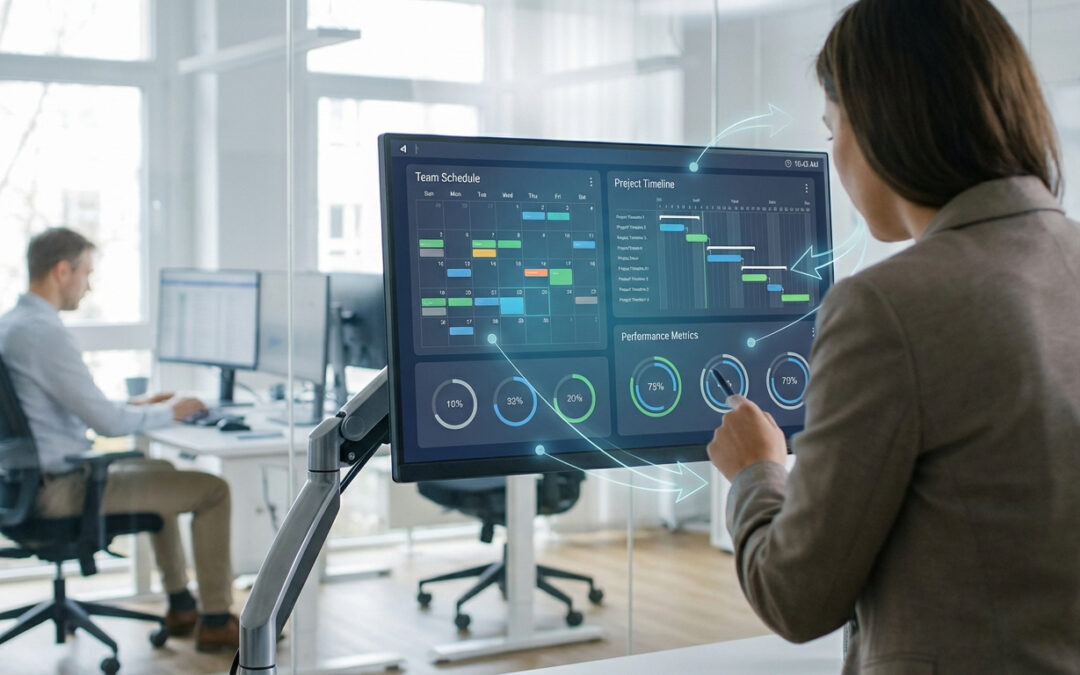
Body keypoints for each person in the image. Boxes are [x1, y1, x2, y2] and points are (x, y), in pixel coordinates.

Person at [706, 0, 1080, 672]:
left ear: (879, 123)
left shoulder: (885, 307)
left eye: (832, 131)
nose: (836, 158)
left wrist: (756, 469)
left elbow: (795, 596)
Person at [0, 227, 240, 652]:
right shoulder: (44, 333)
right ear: (62, 271)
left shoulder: (14, 325)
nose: (88, 285)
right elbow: (107, 425)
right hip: (61, 490)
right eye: (86, 273)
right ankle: (217, 620)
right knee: (213, 490)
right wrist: (171, 411)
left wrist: (137, 403)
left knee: (163, 473)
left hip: (24, 486)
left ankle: (181, 604)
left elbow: (71, 405)